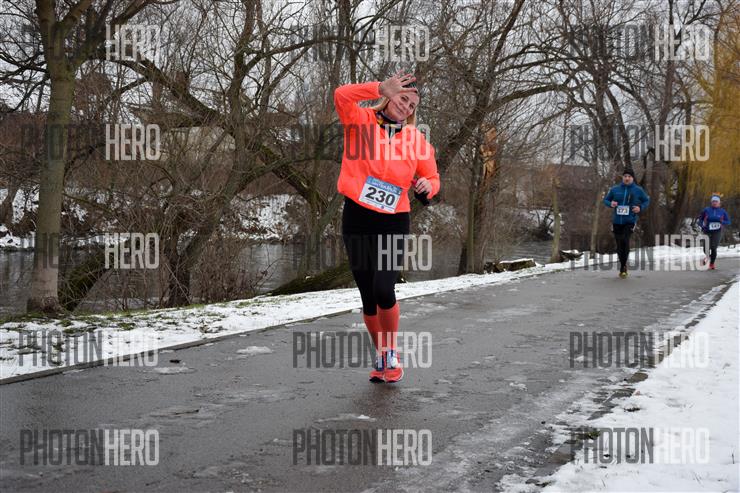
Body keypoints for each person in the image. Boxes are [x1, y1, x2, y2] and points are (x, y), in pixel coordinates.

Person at [334, 73, 440, 383]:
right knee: (368, 296)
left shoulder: (416, 140)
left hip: (393, 220)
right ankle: (381, 355)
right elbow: (341, 95)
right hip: (357, 217)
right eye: (402, 98)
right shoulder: (360, 121)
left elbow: (433, 178)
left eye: (412, 105)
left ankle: (391, 352)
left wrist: (427, 187)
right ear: (390, 96)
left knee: (384, 287)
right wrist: (378, 88)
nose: (406, 106)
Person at [603, 168, 650, 278]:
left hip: (630, 220)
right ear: (622, 177)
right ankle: (623, 264)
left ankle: (623, 267)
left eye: (629, 176)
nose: (627, 178)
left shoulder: (638, 190)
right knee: (619, 244)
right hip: (617, 221)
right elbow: (606, 200)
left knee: (625, 239)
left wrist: (640, 207)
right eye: (625, 176)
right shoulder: (615, 189)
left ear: (632, 178)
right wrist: (611, 203)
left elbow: (646, 200)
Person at [697, 194, 731, 270]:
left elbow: (728, 222)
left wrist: (722, 221)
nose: (714, 203)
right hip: (707, 230)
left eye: (716, 201)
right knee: (706, 248)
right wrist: (702, 225)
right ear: (711, 202)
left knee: (713, 247)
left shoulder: (722, 211)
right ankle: (708, 257)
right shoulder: (706, 210)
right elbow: (700, 219)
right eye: (713, 201)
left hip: (717, 231)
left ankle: (711, 264)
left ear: (719, 203)